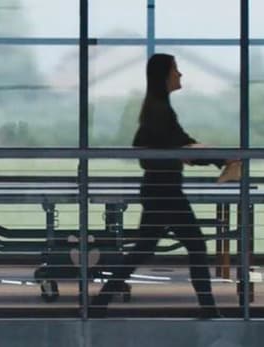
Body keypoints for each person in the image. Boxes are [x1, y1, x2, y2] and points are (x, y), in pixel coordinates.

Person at [89, 53, 229, 319]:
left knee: (145, 248)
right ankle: (209, 309)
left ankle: (101, 302)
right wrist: (212, 157)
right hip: (165, 192)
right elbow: (176, 146)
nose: (180, 74)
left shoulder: (158, 107)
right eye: (176, 70)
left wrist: (208, 156)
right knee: (196, 246)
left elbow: (179, 143)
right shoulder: (159, 110)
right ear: (164, 75)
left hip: (159, 190)